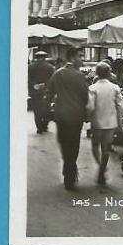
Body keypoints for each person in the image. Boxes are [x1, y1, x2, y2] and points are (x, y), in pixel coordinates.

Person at [47, 47, 89, 190]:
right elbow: (85, 97)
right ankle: (70, 171)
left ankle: (68, 169)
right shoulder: (80, 76)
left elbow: (49, 92)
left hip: (61, 115)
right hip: (76, 116)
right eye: (80, 56)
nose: (82, 59)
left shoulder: (57, 74)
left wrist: (50, 108)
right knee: (74, 143)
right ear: (71, 58)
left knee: (64, 142)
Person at [87, 61, 123, 186]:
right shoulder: (115, 88)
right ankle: (102, 169)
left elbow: (90, 107)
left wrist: (88, 118)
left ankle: (100, 166)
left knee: (94, 146)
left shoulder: (92, 88)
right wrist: (119, 122)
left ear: (97, 73)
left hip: (97, 122)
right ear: (109, 74)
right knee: (106, 149)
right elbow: (120, 107)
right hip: (111, 123)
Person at [28, 50, 55, 133]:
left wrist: (34, 86)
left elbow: (28, 79)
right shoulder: (50, 67)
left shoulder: (30, 67)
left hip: (35, 92)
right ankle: (44, 126)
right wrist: (45, 86)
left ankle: (39, 128)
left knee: (36, 110)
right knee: (46, 109)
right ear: (45, 57)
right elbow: (52, 80)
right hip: (46, 92)